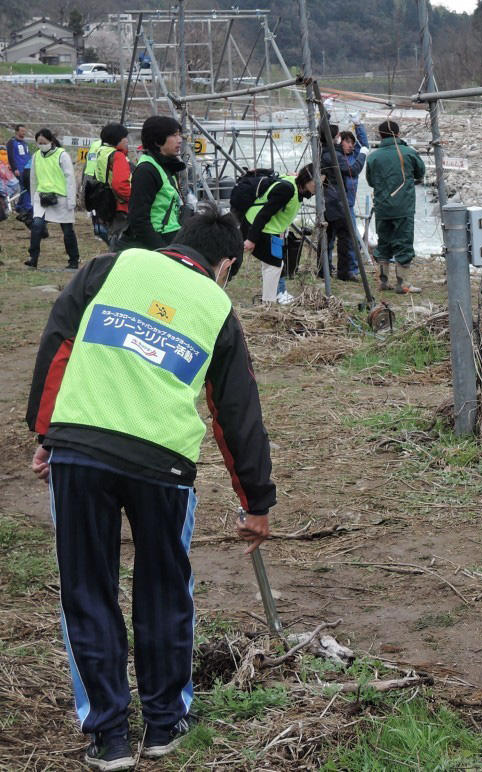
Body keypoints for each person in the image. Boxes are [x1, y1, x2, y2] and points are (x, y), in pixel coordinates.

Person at [25, 204, 275, 771]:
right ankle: (164, 724)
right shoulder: (218, 306)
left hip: (80, 452)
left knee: (87, 590)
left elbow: (58, 345)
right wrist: (256, 501)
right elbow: (236, 412)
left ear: (174, 242)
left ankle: (108, 736)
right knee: (165, 590)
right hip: (163, 465)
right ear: (225, 265)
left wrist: (48, 434)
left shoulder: (107, 268)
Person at [240, 163, 319, 305]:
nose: (320, 186)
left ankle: (268, 301)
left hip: (270, 230)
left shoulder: (295, 184)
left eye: (323, 183)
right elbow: (264, 214)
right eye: (317, 181)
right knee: (274, 265)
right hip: (259, 227)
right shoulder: (287, 189)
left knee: (272, 264)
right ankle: (268, 303)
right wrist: (251, 239)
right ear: (307, 178)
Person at [365, 119, 426, 293]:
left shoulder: (373, 156)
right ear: (398, 134)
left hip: (382, 207)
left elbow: (370, 182)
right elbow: (421, 172)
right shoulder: (408, 152)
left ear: (380, 135)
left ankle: (383, 282)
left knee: (383, 243)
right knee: (404, 243)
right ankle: (403, 284)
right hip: (403, 207)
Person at [121, 116, 185, 250]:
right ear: (157, 141)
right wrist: (162, 251)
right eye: (174, 135)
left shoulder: (165, 166)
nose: (179, 140)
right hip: (157, 240)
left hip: (170, 236)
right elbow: (139, 219)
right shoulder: (147, 170)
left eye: (180, 135)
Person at [321, 118, 369, 281]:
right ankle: (337, 270)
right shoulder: (338, 157)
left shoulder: (351, 155)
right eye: (344, 141)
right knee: (335, 238)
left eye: (351, 142)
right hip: (338, 204)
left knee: (347, 240)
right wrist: (325, 116)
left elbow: (364, 145)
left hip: (346, 204)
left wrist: (359, 125)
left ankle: (348, 269)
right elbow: (353, 170)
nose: (349, 144)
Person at [25, 129, 80, 270]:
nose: (42, 145)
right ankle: (33, 258)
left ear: (51, 141)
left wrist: (71, 200)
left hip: (61, 199)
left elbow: (70, 179)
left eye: (44, 142)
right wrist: (33, 199)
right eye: (39, 143)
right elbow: (33, 178)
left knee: (67, 230)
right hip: (42, 198)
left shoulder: (62, 155)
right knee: (36, 226)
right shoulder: (36, 156)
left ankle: (73, 260)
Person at [93, 123, 133, 247]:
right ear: (117, 139)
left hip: (105, 201)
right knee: (121, 240)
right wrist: (133, 199)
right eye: (125, 138)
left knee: (113, 236)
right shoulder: (118, 156)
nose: (127, 141)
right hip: (121, 205)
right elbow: (120, 185)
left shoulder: (101, 152)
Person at [82, 136, 107, 241]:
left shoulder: (94, 145)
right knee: (102, 204)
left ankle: (97, 229)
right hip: (101, 178)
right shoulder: (109, 146)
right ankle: (101, 229)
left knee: (94, 206)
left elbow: (88, 163)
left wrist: (84, 180)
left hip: (90, 177)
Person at [7, 123, 33, 219]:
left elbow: (28, 155)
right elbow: (10, 156)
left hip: (27, 169)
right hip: (19, 169)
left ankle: (19, 207)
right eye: (22, 131)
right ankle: (26, 207)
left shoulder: (25, 143)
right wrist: (14, 169)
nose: (24, 133)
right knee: (26, 187)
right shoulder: (12, 142)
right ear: (17, 131)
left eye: (24, 131)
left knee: (25, 188)